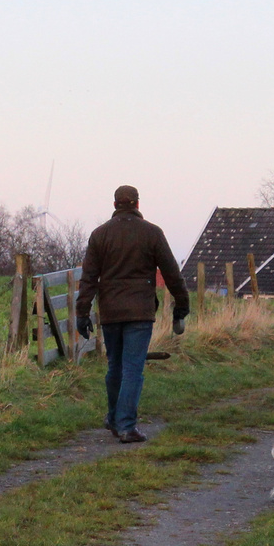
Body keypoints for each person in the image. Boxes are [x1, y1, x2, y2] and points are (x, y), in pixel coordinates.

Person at [75, 185, 190, 443]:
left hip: (111, 311)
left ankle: (115, 418)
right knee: (133, 368)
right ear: (137, 204)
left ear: (115, 205)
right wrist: (181, 304)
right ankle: (126, 426)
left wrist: (82, 312)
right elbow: (172, 273)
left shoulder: (100, 235)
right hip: (140, 311)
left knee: (115, 365)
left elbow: (89, 278)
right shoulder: (152, 233)